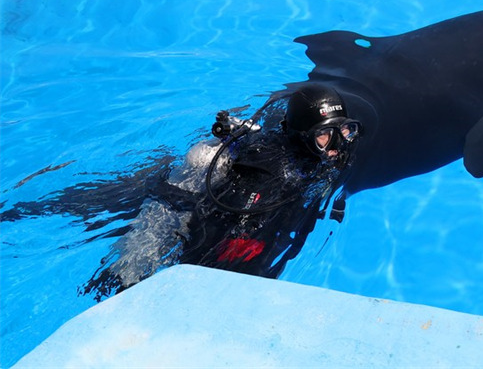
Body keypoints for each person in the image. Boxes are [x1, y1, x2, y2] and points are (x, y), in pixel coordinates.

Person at [82, 84, 362, 298]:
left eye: (346, 131)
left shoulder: (305, 155)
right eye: (324, 136)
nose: (338, 145)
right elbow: (220, 227)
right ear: (301, 137)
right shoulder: (271, 173)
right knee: (127, 278)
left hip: (201, 184)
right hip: (176, 202)